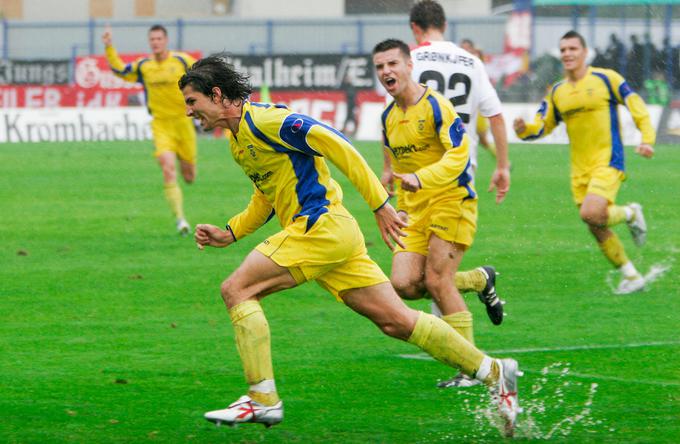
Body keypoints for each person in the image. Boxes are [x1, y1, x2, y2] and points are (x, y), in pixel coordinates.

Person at [178, 54, 521, 436]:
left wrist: (380, 204)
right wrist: (232, 231)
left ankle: (263, 399)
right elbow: (266, 196)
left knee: (236, 289)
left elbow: (338, 144)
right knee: (397, 322)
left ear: (217, 94)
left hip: (319, 228)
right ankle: (494, 371)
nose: (190, 112)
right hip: (329, 236)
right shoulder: (238, 141)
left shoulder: (269, 120)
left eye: (193, 102)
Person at [374, 38, 503, 393]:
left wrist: (422, 177)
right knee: (404, 284)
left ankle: (469, 367)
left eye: (392, 64)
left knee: (437, 280)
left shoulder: (436, 107)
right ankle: (479, 280)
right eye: (380, 67)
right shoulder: (387, 117)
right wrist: (395, 197)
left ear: (408, 65)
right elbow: (394, 166)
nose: (386, 71)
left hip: (452, 198)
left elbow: (459, 156)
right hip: (414, 209)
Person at [514, 31, 655, 294]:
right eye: (563, 49)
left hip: (608, 160)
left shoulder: (606, 78)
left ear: (585, 52)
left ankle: (630, 213)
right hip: (579, 170)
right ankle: (632, 275)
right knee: (595, 224)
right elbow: (541, 126)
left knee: (590, 212)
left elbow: (635, 104)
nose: (567, 53)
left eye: (572, 48)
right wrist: (523, 129)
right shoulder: (558, 92)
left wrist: (647, 138)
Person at [102, 24, 197, 235]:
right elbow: (120, 69)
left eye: (158, 39)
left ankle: (185, 177)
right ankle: (180, 219)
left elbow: (205, 74)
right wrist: (109, 46)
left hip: (184, 124)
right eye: (152, 39)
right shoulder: (144, 66)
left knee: (189, 176)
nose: (155, 43)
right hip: (161, 125)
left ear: (166, 41)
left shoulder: (182, 61)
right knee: (167, 168)